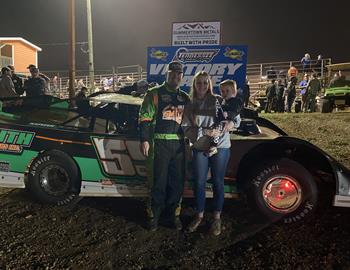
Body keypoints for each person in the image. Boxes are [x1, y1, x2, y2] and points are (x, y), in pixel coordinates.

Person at [182, 72, 235, 236]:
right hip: (200, 147)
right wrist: (204, 131)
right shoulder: (189, 104)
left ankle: (217, 218)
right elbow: (185, 128)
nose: (202, 86)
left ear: (209, 84)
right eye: (199, 83)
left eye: (205, 83)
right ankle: (199, 215)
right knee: (199, 183)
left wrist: (230, 124)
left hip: (221, 147)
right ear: (194, 84)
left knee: (218, 182)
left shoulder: (218, 100)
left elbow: (235, 119)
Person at [139, 61, 190, 231]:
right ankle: (153, 216)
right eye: (172, 73)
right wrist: (144, 139)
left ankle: (173, 216)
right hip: (158, 143)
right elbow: (145, 117)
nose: (175, 76)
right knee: (157, 182)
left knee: (177, 182)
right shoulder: (154, 94)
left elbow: (192, 123)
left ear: (182, 77)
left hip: (179, 146)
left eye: (179, 74)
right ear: (167, 74)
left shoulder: (185, 97)